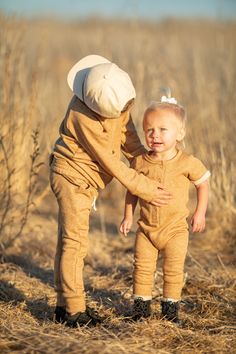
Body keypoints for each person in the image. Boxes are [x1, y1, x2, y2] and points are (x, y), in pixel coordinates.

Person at [49, 55, 172, 328]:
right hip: (72, 179)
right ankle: (74, 311)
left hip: (84, 180)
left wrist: (148, 162)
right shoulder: (82, 117)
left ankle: (63, 306)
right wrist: (146, 187)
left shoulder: (115, 99)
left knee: (67, 241)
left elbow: (127, 136)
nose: (125, 111)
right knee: (74, 244)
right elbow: (111, 163)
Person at [120, 94, 210, 325]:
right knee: (141, 268)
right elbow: (132, 190)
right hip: (146, 229)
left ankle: (170, 314)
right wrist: (128, 215)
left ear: (180, 133)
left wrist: (200, 212)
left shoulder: (187, 162)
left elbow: (203, 183)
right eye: (149, 130)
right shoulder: (140, 162)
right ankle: (141, 312)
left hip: (175, 230)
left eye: (163, 129)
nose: (155, 135)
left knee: (172, 271)